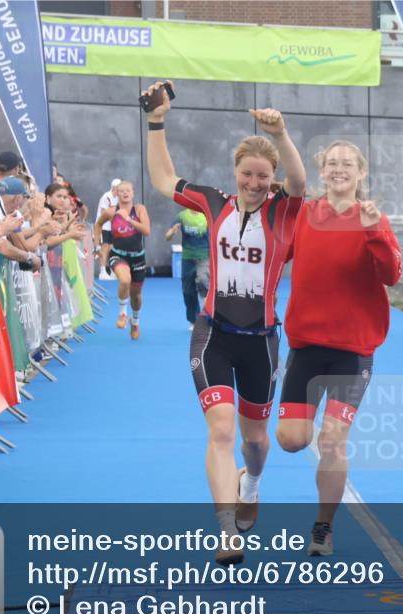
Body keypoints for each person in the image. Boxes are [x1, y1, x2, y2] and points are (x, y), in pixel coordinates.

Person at [145, 80, 307, 565]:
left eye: (263, 176)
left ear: (272, 178)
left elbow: (300, 181)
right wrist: (156, 121)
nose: (254, 183)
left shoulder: (283, 211)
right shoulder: (214, 202)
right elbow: (164, 179)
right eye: (247, 174)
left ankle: (251, 484)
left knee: (255, 441)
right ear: (235, 173)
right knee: (220, 431)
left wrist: (280, 134)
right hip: (213, 335)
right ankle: (227, 530)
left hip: (261, 342)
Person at [275, 141, 402, 556]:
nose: (339, 169)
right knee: (291, 439)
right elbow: (274, 256)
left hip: (353, 351)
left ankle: (323, 527)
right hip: (306, 347)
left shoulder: (373, 217)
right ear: (321, 171)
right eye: (332, 163)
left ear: (361, 173)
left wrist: (374, 230)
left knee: (331, 440)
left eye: (348, 163)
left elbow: (392, 274)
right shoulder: (305, 215)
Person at [96, 181, 150, 340]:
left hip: (138, 257)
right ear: (117, 194)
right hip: (118, 255)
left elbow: (146, 231)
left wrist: (129, 219)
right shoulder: (111, 212)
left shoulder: (140, 210)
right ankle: (122, 314)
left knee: (136, 296)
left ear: (133, 193)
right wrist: (97, 244)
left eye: (128, 190)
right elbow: (98, 225)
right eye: (121, 191)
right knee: (125, 280)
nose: (125, 193)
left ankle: (135, 321)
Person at [164, 208, 209, 329]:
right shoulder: (182, 216)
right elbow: (167, 236)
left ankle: (209, 315)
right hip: (188, 258)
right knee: (188, 291)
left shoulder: (207, 215)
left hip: (205, 257)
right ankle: (194, 320)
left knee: (202, 281)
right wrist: (172, 232)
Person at [94, 178, 120, 276]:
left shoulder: (118, 198)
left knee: (111, 249)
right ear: (113, 188)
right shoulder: (106, 197)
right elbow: (104, 213)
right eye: (118, 188)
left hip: (111, 227)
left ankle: (112, 271)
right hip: (103, 226)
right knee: (104, 248)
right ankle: (102, 271)